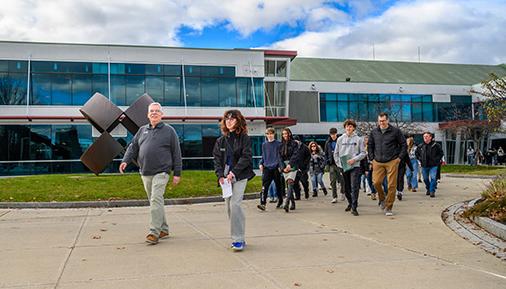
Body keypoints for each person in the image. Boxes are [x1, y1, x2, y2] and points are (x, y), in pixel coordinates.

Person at [119, 102, 182, 245]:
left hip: (162, 171)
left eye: (157, 111)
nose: (154, 113)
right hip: (145, 172)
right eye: (151, 111)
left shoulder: (169, 131)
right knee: (156, 202)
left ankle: (154, 232)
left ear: (162, 114)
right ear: (148, 114)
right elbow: (133, 147)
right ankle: (164, 229)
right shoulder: (142, 130)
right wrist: (125, 160)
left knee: (155, 200)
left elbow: (176, 153)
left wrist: (177, 173)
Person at [213, 109, 255, 251]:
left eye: (232, 118)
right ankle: (240, 235)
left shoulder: (245, 138)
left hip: (240, 175)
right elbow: (217, 160)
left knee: (235, 205)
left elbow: (246, 157)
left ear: (238, 121)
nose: (229, 121)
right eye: (227, 119)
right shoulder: (221, 141)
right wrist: (220, 176)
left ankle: (238, 239)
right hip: (226, 178)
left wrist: (234, 173)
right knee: (229, 207)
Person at [368, 112, 407, 216]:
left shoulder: (395, 131)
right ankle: (382, 199)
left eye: (383, 120)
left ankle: (389, 207)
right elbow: (370, 145)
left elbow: (404, 144)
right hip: (377, 161)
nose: (382, 123)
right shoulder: (374, 132)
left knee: (391, 185)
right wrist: (371, 158)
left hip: (392, 161)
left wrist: (399, 158)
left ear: (388, 120)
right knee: (376, 182)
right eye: (380, 121)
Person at [333, 119, 366, 216]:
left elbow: (363, 153)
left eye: (351, 126)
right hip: (344, 167)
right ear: (345, 127)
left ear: (354, 128)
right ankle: (350, 202)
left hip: (355, 166)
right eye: (347, 126)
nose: (349, 128)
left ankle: (354, 207)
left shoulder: (359, 139)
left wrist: (354, 159)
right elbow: (336, 154)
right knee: (346, 187)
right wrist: (340, 165)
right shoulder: (340, 139)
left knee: (354, 186)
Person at [258, 127, 283, 211]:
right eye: (267, 134)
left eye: (271, 134)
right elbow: (263, 156)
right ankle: (263, 203)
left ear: (274, 134)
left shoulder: (279, 144)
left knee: (278, 186)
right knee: (264, 186)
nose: (269, 135)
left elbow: (280, 156)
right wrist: (261, 163)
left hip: (276, 167)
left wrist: (280, 166)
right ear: (266, 135)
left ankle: (280, 201)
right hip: (267, 168)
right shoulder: (264, 145)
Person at [416, 132, 444, 198]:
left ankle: (432, 191)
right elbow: (417, 154)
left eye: (427, 136)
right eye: (424, 136)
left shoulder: (436, 145)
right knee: (425, 179)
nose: (425, 138)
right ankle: (428, 188)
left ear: (430, 137)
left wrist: (437, 160)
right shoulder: (420, 146)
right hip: (424, 165)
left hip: (433, 165)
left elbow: (441, 153)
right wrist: (420, 159)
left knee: (433, 178)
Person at [280, 127, 301, 212]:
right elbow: (279, 157)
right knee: (288, 185)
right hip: (284, 166)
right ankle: (293, 203)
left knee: (290, 182)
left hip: (292, 165)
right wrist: (282, 167)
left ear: (289, 134)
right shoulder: (280, 145)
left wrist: (289, 164)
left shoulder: (294, 143)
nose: (285, 135)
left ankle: (286, 203)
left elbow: (295, 155)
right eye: (283, 134)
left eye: (286, 133)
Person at [324, 128, 345, 203]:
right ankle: (334, 196)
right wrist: (326, 162)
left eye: (334, 134)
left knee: (342, 180)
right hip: (332, 163)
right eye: (331, 134)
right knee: (332, 181)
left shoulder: (340, 141)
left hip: (340, 163)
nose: (333, 135)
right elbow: (326, 153)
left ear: (336, 133)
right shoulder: (328, 142)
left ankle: (343, 192)